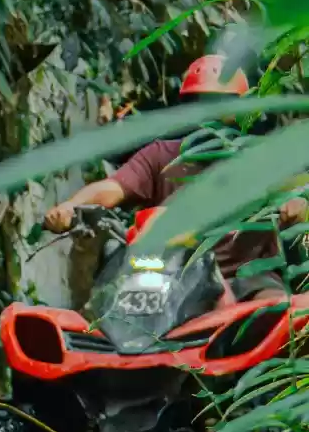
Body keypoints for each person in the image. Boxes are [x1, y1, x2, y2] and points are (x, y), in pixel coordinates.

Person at [43, 55, 306, 297]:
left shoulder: (260, 159)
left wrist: (297, 206)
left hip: (247, 280)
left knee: (275, 313)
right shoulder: (161, 155)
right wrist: (71, 206)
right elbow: (112, 188)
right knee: (110, 316)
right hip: (172, 280)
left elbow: (296, 194)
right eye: (200, 104)